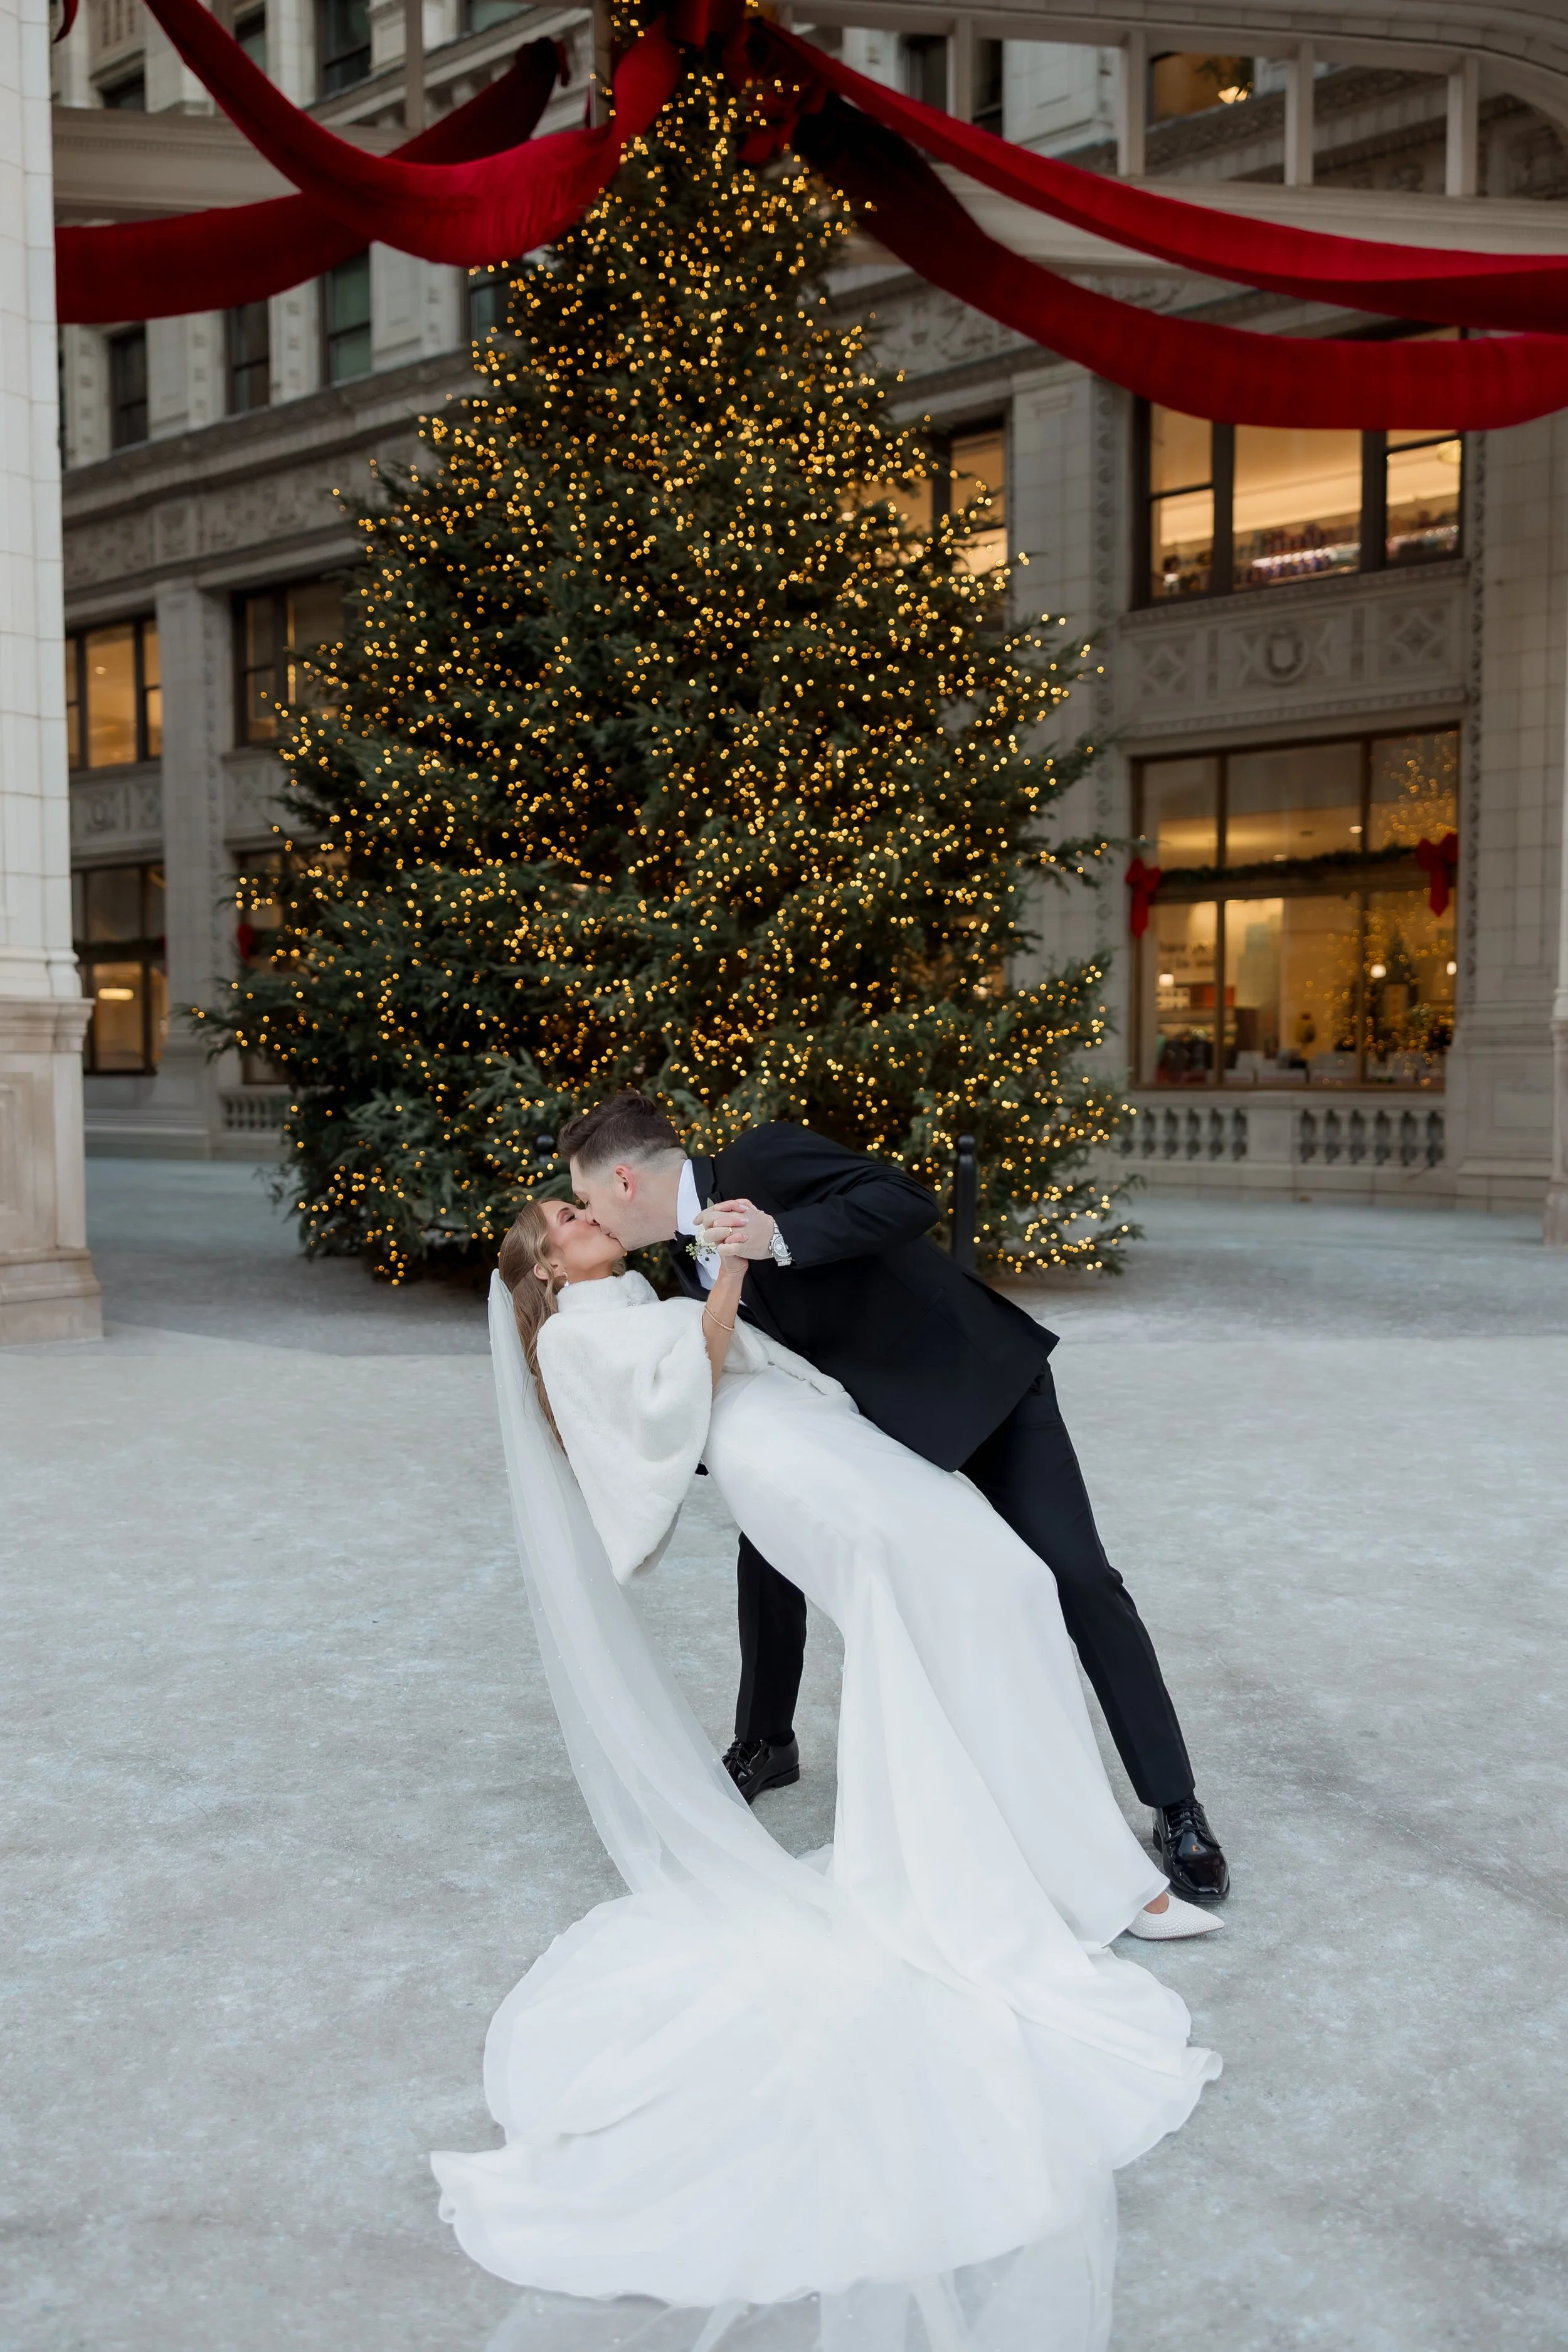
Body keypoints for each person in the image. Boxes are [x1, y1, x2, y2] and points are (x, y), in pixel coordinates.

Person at [431, 1189, 1221, 2342]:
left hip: (807, 1430)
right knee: (940, 1601)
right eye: (564, 1214)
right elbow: (681, 1395)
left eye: (582, 1200)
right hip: (769, 1452)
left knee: (1005, 1584)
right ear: (545, 1265)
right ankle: (1036, 1876)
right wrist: (735, 1270)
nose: (586, 1212)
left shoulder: (622, 1292)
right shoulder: (573, 1329)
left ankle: (1076, 1858)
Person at [561, 1092, 1229, 1906]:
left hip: (980, 1389)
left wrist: (782, 1237)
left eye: (588, 1199)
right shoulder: (678, 1260)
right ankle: (766, 1738)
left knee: (1078, 1576)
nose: (590, 1217)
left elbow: (910, 1199)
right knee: (767, 1540)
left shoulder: (760, 1159)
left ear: (624, 1180)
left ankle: (1176, 1802)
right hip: (872, 1433)